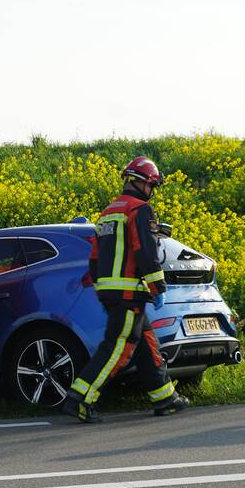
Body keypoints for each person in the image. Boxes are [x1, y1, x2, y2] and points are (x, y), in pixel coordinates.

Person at [61, 156, 189, 423]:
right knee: (118, 348)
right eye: (152, 186)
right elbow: (145, 251)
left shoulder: (108, 212)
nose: (151, 191)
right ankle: (80, 398)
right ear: (142, 183)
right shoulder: (140, 210)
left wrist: (101, 287)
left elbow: (94, 256)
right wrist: (158, 287)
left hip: (113, 293)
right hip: (129, 293)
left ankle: (165, 398)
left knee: (146, 345)